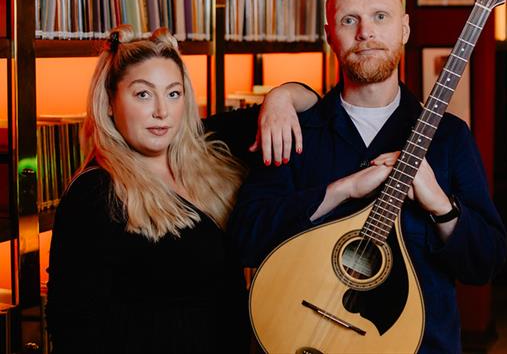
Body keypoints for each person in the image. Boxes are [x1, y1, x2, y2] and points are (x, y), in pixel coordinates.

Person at [229, 0, 507, 353]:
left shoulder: (449, 138)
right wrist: (341, 189)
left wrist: (441, 205)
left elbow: (486, 263)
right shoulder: (293, 131)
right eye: (349, 20)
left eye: (380, 16)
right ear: (330, 35)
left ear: (405, 28)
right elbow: (245, 240)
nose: (366, 32)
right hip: (300, 341)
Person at [46, 25, 318, 353]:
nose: (161, 111)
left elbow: (313, 104)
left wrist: (279, 98)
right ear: (109, 102)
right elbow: (72, 326)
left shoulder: (206, 144)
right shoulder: (95, 193)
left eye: (173, 93)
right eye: (143, 94)